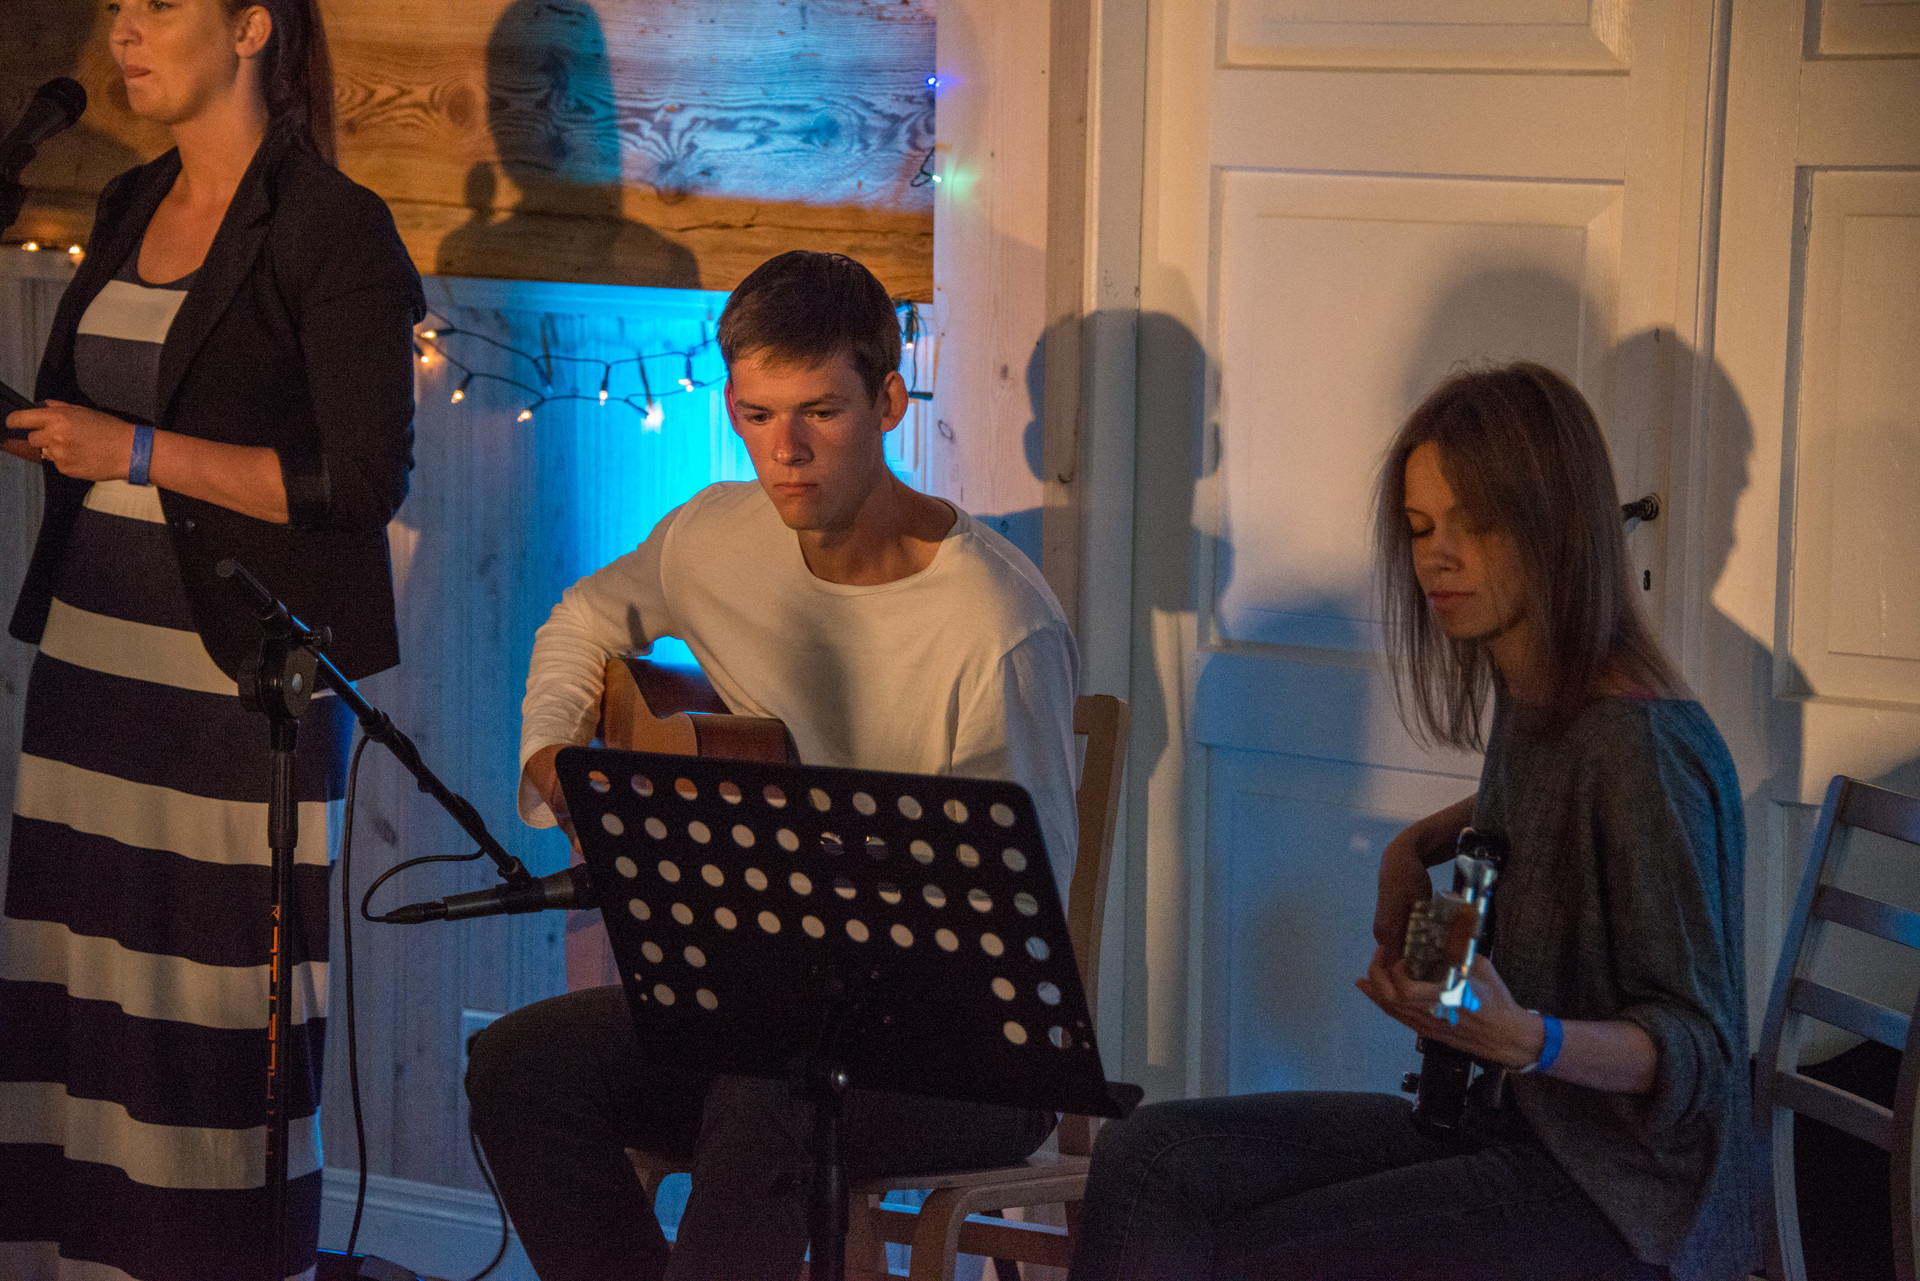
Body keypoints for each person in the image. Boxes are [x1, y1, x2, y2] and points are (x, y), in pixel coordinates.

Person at [465, 249, 1081, 1281]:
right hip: (765, 1009)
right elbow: (583, 617)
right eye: (757, 415)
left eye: (820, 413)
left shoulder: (998, 627)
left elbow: (1020, 917)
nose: (785, 452)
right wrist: (554, 758)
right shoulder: (715, 536)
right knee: (520, 1065)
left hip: (967, 1050)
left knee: (772, 1093)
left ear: (888, 402)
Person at [1068, 362, 1756, 1281]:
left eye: (1476, 524)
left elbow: (1702, 1053)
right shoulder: (1536, 686)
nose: (1437, 557)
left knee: (1249, 1254)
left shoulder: (1640, 747)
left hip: (1625, 1203)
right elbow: (1521, 824)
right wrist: (1415, 850)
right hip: (1502, 1121)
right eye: (1422, 527)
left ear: (1554, 526)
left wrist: (1530, 1038)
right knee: (1144, 1158)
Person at [0, 2, 423, 1278]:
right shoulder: (129, 198)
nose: (125, 30)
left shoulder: (332, 225)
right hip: (90, 667)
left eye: (159, 5)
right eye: (118, 8)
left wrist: (134, 451)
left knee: (206, 1014)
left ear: (250, 28)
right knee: (78, 992)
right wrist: (52, 434)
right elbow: (96, 414)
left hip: (233, 684)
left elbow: (358, 481)